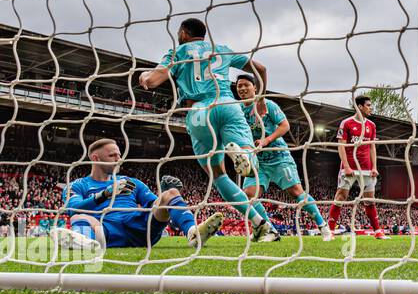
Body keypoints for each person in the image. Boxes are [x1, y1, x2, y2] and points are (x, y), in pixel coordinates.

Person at [137, 17, 279, 242]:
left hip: (199, 113)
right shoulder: (220, 49)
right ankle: (245, 158)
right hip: (227, 105)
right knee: (248, 152)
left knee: (218, 175)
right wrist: (260, 99)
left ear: (183, 32)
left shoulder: (178, 51)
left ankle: (259, 223)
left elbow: (154, 80)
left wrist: (143, 77)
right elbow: (261, 68)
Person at [63, 138, 223, 252]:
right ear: (95, 158)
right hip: (106, 230)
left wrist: (165, 196)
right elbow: (73, 208)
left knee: (170, 194)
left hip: (140, 228)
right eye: (112, 156)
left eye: (119, 155)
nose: (119, 159)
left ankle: (193, 233)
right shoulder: (78, 185)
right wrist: (105, 194)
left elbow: (155, 205)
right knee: (78, 218)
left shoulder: (130, 182)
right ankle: (84, 242)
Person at [234, 75, 331, 241]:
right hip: (258, 161)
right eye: (239, 86)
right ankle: (271, 231)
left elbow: (285, 125)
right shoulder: (237, 111)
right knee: (249, 195)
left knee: (296, 192)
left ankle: (324, 227)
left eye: (246, 85)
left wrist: (267, 140)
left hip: (279, 156)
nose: (242, 89)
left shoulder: (267, 105)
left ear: (255, 88)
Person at [330, 93, 385, 240]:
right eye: (368, 105)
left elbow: (372, 147)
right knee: (341, 197)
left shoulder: (371, 125)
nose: (370, 108)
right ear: (359, 106)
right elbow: (341, 146)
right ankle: (329, 231)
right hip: (349, 167)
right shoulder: (346, 123)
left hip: (367, 168)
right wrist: (346, 166)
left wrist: (374, 167)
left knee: (370, 199)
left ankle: (378, 231)